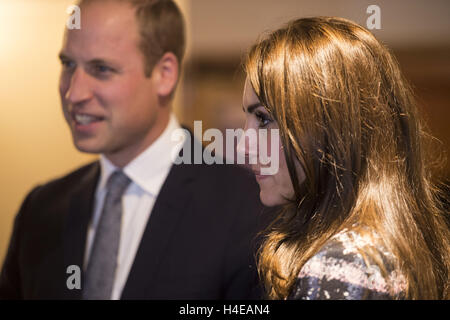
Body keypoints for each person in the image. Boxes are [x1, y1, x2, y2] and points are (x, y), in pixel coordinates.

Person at [0, 0, 266, 299]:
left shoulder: (249, 209)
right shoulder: (40, 211)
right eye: (68, 64)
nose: (74, 93)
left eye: (101, 69)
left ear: (165, 74)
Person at [238, 16, 449, 300]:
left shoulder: (341, 266)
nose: (243, 146)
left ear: (329, 127)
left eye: (263, 119)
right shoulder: (401, 244)